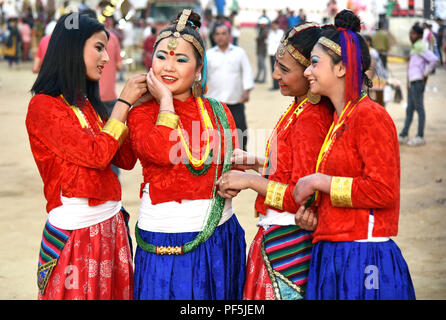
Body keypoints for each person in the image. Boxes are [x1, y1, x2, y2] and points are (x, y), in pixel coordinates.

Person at [293, 10, 416, 300]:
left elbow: (383, 190)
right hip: (335, 250)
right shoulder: (340, 118)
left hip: (363, 255)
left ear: (341, 68)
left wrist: (319, 182)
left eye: (313, 63)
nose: (307, 71)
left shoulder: (370, 116)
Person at [26, 13, 148, 300]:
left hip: (111, 227)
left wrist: (135, 109)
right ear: (72, 47)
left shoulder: (88, 104)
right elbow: (96, 155)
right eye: (98, 47)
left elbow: (125, 159)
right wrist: (123, 103)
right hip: (75, 235)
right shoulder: (43, 107)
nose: (106, 57)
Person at [128, 9, 246, 300]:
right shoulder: (142, 112)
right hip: (164, 238)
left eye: (181, 60)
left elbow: (228, 168)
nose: (169, 67)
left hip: (218, 236)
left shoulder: (218, 111)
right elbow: (160, 151)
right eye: (161, 57)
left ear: (198, 69)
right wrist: (166, 102)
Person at [217, 23, 334, 300]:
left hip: (288, 238)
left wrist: (249, 180)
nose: (274, 74)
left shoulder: (310, 118)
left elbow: (299, 196)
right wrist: (257, 162)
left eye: (284, 69)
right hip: (280, 229)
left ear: (309, 71)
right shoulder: (299, 107)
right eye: (275, 65)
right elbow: (293, 167)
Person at [207, 22, 254, 151]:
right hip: (214, 104)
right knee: (216, 135)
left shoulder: (239, 52)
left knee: (240, 132)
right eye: (217, 34)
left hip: (235, 102)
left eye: (224, 33)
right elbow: (202, 77)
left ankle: (241, 159)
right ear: (214, 36)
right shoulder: (208, 55)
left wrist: (246, 92)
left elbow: (247, 72)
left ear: (230, 36)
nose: (220, 37)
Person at [398, 24, 438, 147]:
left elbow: (434, 60)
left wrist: (425, 74)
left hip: (417, 82)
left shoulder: (420, 46)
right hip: (412, 83)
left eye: (414, 33)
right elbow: (413, 65)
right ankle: (404, 134)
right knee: (409, 109)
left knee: (419, 109)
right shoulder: (415, 47)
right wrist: (408, 83)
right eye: (410, 33)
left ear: (420, 35)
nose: (411, 35)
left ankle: (420, 136)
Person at [266, 20, 284, 90]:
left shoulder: (281, 32)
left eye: (274, 25)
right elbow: (267, 42)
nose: (273, 27)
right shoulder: (270, 33)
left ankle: (277, 85)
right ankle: (275, 85)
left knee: (277, 69)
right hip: (271, 53)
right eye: (272, 25)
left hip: (277, 54)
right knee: (273, 70)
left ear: (277, 25)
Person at [255, 17, 268, 84]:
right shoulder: (262, 30)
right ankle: (258, 77)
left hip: (262, 50)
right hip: (260, 49)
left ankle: (263, 78)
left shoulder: (264, 31)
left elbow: (259, 39)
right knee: (259, 65)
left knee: (262, 65)